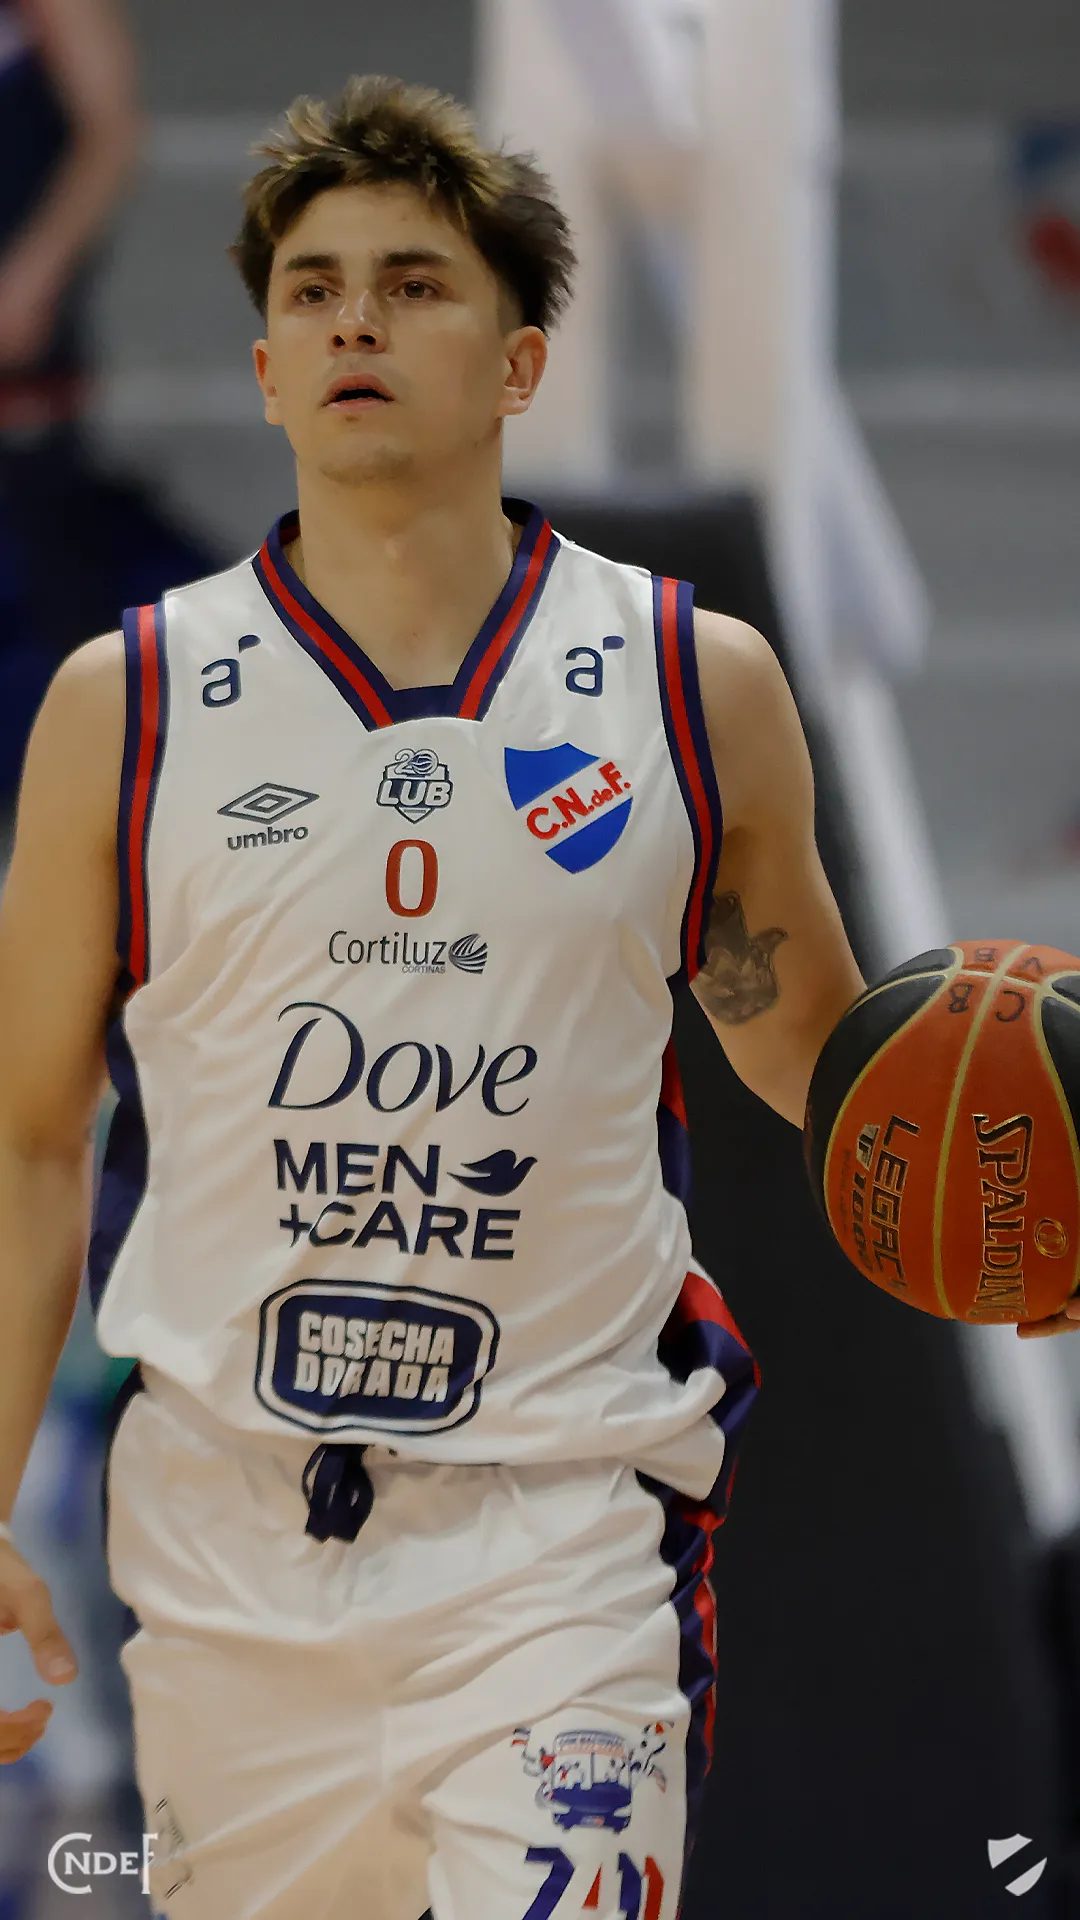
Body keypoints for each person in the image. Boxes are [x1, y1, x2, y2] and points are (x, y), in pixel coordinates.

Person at [0, 73, 1075, 1920]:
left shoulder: (691, 682)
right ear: (264, 370)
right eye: (314, 289)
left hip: (560, 1538)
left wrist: (1021, 1174)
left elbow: (822, 1062)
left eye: (414, 283)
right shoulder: (129, 704)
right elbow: (31, 1140)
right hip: (228, 1542)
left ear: (519, 363)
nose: (354, 320)